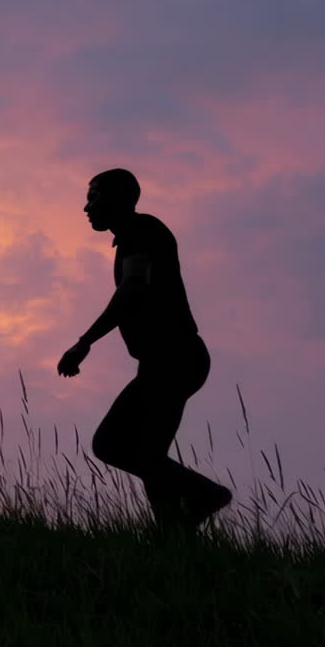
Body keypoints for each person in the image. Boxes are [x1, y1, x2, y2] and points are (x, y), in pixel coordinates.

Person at [57, 168, 233, 532]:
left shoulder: (141, 231)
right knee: (149, 454)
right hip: (167, 361)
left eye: (93, 198)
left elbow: (133, 288)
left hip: (174, 360)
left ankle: (206, 495)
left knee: (110, 444)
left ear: (118, 199)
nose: (86, 208)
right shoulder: (132, 237)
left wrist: (85, 341)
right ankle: (174, 536)